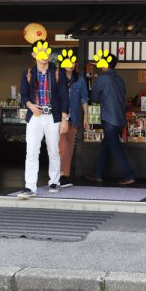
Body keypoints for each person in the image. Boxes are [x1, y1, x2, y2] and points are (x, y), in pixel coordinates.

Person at [17, 40, 69, 199]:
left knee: (53, 150)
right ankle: (30, 186)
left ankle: (54, 181)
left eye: (46, 51)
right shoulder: (28, 73)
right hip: (35, 116)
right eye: (40, 51)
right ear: (34, 54)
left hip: (53, 117)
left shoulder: (57, 72)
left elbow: (64, 97)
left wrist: (65, 118)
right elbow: (24, 95)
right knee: (31, 152)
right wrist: (30, 106)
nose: (44, 55)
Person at [86, 52, 135, 185]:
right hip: (120, 119)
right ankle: (97, 174)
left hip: (109, 119)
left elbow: (94, 98)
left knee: (115, 148)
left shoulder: (103, 78)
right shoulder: (120, 80)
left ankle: (129, 175)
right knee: (106, 146)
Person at [57, 51, 89, 188]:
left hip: (74, 117)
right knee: (62, 147)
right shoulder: (57, 78)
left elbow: (84, 99)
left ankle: (64, 175)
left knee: (69, 147)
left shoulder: (80, 79)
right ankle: (58, 174)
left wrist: (86, 116)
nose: (71, 64)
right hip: (59, 118)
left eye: (73, 61)